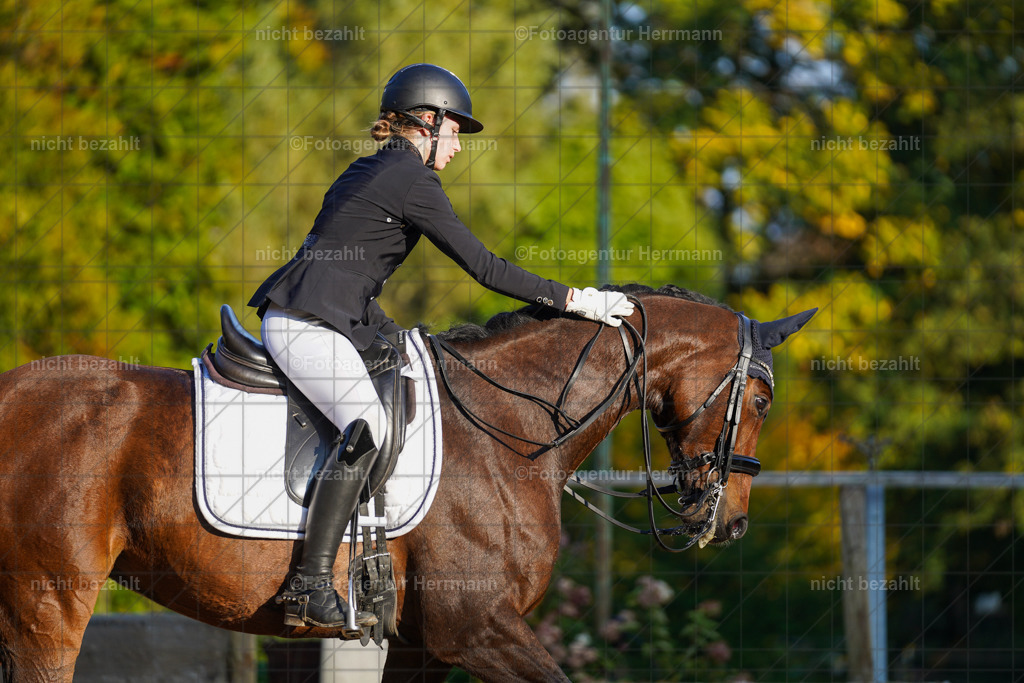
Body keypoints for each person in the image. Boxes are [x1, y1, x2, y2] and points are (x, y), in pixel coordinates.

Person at [248, 63, 634, 630]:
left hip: (321, 317)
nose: (457, 148)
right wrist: (577, 300)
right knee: (367, 429)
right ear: (427, 122)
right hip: (309, 324)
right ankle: (307, 585)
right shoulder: (411, 181)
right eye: (454, 133)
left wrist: (392, 335)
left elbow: (346, 274)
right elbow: (485, 267)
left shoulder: (367, 170)